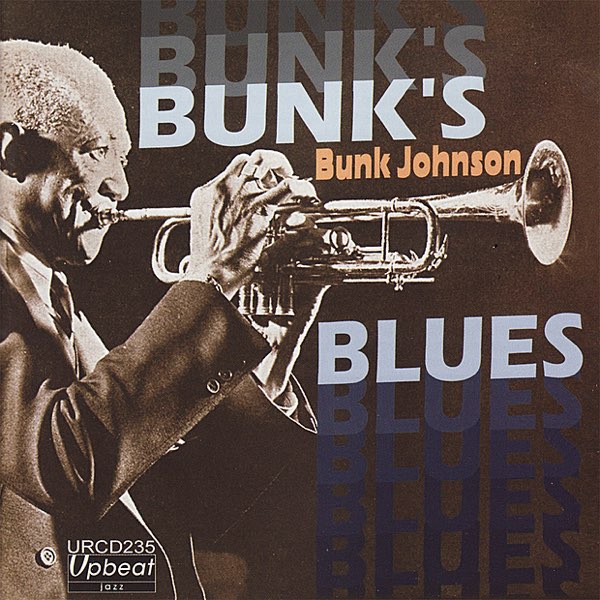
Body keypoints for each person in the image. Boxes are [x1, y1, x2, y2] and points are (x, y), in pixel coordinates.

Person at [0, 40, 325, 599]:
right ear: (11, 151)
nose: (120, 187)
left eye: (123, 160)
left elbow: (186, 499)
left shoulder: (56, 302)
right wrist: (212, 279)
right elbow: (65, 465)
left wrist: (272, 342)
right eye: (96, 152)